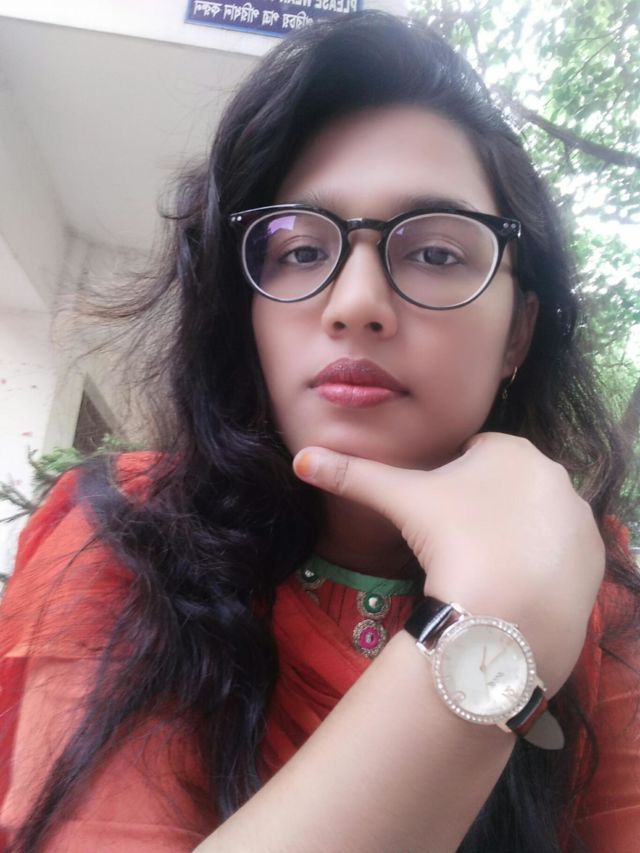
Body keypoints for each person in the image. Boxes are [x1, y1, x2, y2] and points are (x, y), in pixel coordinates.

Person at [0, 10, 638, 852]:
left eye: (436, 254)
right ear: (246, 313)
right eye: (300, 250)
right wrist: (492, 625)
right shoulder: (125, 531)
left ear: (518, 332)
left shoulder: (593, 579)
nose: (356, 304)